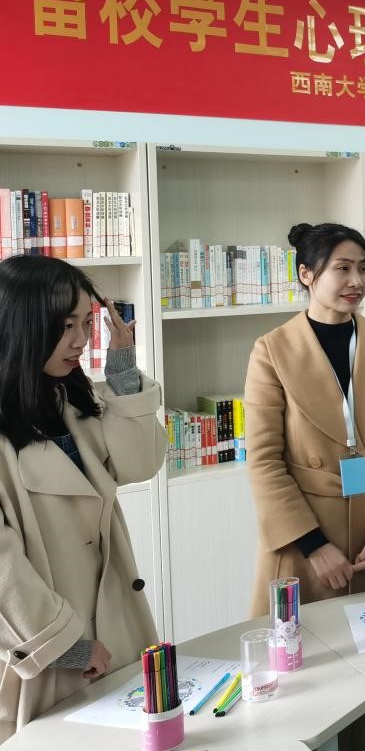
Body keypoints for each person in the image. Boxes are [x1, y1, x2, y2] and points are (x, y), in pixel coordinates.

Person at [245, 222, 365, 749]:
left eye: (364, 268)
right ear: (307, 274)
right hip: (304, 546)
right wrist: (314, 546)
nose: (356, 281)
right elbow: (264, 462)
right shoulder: (272, 350)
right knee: (307, 690)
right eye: (342, 268)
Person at [0, 256, 166, 740]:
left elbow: (140, 464)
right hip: (49, 649)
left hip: (117, 627)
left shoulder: (72, 399)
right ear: (21, 326)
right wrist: (63, 644)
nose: (80, 340)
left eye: (86, 323)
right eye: (64, 325)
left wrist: (123, 374)